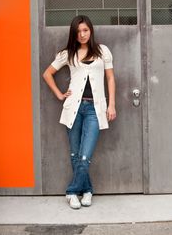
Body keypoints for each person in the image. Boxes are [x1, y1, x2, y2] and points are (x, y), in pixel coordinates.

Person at [43, 15, 116, 209]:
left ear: (90, 30)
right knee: (75, 154)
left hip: (94, 109)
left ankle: (72, 191)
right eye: (78, 32)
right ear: (74, 35)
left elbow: (110, 79)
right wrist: (59, 94)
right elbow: (47, 73)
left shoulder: (103, 51)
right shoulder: (68, 53)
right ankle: (87, 191)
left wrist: (112, 104)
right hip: (73, 109)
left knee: (84, 157)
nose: (82, 35)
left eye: (85, 30)